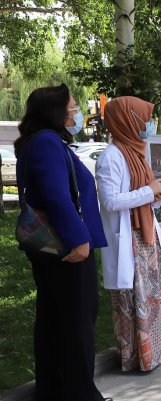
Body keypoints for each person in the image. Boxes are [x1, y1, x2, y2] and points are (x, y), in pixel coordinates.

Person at [15, 84, 112, 401]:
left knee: (56, 318)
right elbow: (58, 198)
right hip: (66, 246)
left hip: (52, 245)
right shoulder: (46, 143)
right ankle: (81, 394)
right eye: (72, 108)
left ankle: (54, 389)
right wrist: (79, 240)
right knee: (75, 322)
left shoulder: (40, 141)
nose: (77, 113)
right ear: (55, 112)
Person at [95, 96, 161, 372]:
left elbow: (143, 196)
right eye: (145, 118)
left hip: (146, 235)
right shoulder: (111, 157)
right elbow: (110, 201)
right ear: (128, 120)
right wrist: (148, 191)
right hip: (129, 238)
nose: (150, 124)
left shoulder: (136, 152)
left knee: (160, 292)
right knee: (137, 297)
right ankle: (142, 354)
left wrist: (155, 196)